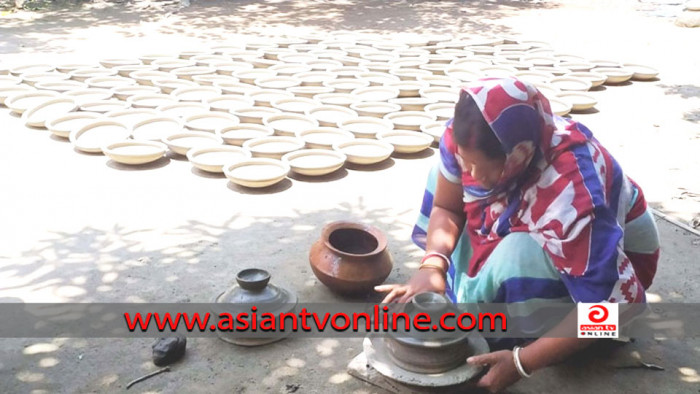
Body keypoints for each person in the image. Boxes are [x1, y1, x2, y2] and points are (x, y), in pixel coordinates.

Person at [375, 77, 660, 393]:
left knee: (519, 255)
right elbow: (446, 205)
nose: (472, 174)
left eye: (482, 166)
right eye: (466, 161)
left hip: (611, 261)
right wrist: (432, 264)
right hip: (527, 213)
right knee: (443, 176)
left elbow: (612, 309)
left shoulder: (571, 198)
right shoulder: (466, 139)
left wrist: (522, 361)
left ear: (518, 154)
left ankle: (538, 329)